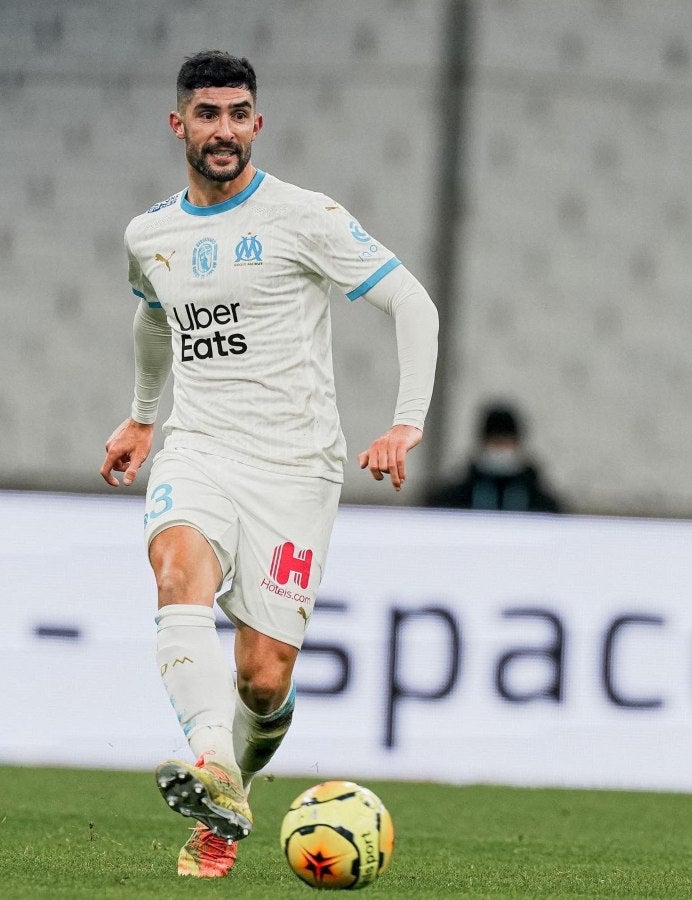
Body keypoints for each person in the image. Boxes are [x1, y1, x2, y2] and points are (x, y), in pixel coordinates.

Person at [99, 49, 438, 879]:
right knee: (176, 568)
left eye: (238, 113)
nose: (224, 130)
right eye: (207, 114)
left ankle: (232, 789)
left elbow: (411, 302)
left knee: (263, 675)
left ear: (258, 122)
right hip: (201, 446)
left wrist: (404, 424)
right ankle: (211, 763)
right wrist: (145, 420)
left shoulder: (304, 217)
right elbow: (153, 320)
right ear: (179, 124)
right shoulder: (152, 233)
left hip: (297, 468)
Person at [424, 403, 563, 512]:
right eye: (496, 443)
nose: (501, 450)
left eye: (506, 443)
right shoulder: (454, 498)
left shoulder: (541, 501)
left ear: (518, 445)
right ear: (483, 444)